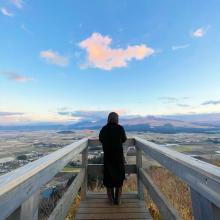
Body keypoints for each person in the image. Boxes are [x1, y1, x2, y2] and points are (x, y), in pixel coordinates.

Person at [99, 112, 127, 205]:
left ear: (108, 119)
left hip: (108, 156)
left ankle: (110, 199)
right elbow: (124, 139)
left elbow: (101, 139)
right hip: (118, 157)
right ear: (117, 119)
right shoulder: (120, 128)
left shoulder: (104, 129)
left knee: (108, 176)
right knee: (119, 176)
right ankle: (118, 199)